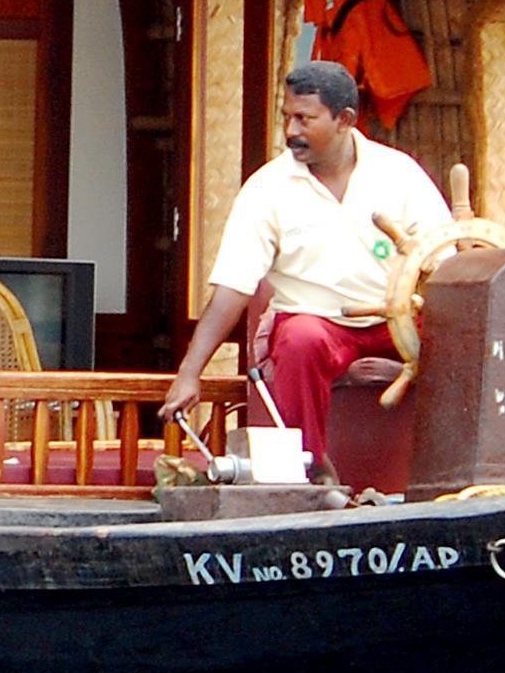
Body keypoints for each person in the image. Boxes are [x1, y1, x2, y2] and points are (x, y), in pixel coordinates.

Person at [165, 58, 449, 448]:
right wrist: (189, 372)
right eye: (287, 117)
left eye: (304, 119)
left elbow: (445, 260)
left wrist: (418, 353)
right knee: (300, 338)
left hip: (397, 323)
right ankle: (311, 470)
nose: (290, 131)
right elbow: (233, 287)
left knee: (457, 337)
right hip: (317, 324)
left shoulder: (400, 174)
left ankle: (444, 469)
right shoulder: (267, 188)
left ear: (344, 119)